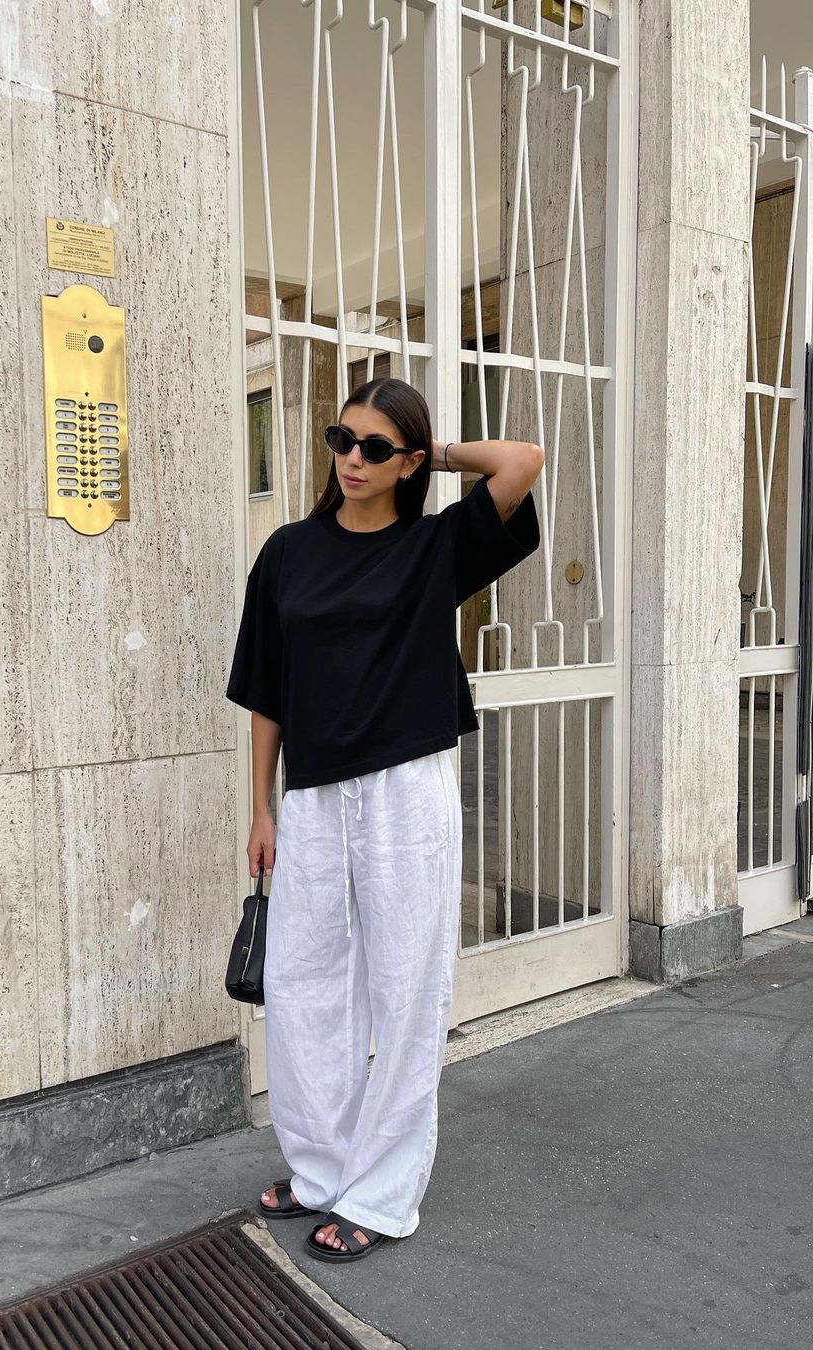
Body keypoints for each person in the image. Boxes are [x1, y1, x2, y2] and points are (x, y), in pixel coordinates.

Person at [225, 376, 543, 1263]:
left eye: (374, 447)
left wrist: (432, 454)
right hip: (313, 796)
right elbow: (266, 689)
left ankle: (383, 1193)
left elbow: (522, 460)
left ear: (406, 462)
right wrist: (261, 806)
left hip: (407, 790)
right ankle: (320, 1167)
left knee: (405, 989)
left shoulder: (437, 545)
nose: (352, 460)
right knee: (303, 985)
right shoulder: (288, 552)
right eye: (343, 440)